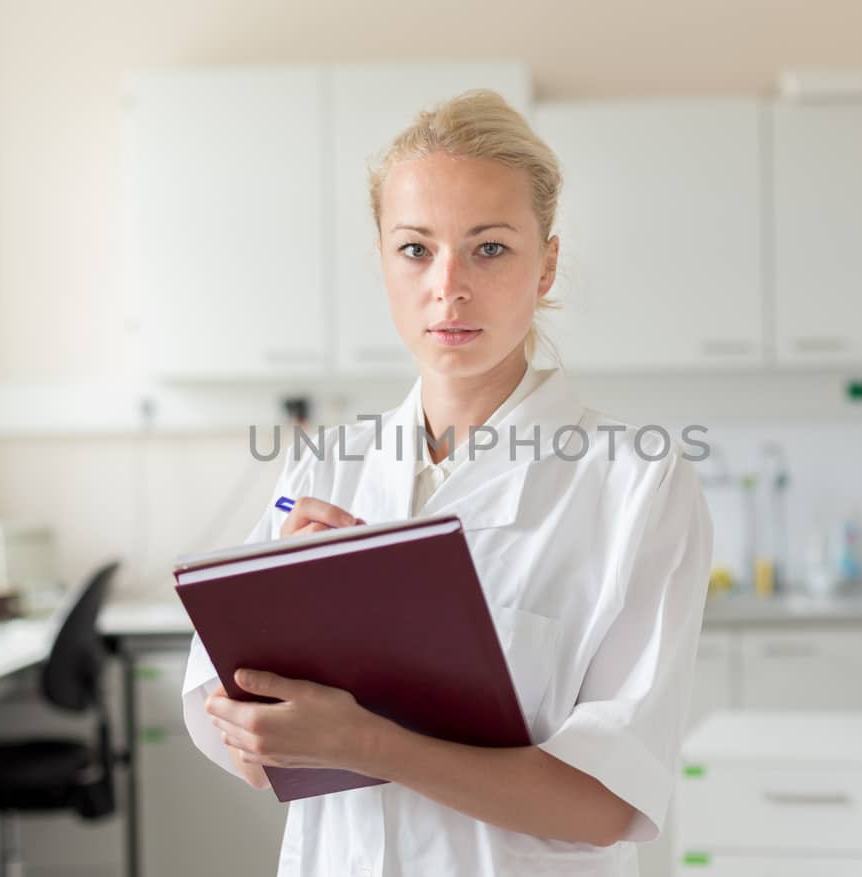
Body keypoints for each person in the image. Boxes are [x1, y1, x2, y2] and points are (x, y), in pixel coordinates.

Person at [181, 89, 713, 875]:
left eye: (490, 247)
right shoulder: (323, 467)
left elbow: (607, 803)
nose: (449, 285)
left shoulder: (637, 483)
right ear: (384, 260)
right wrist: (287, 650)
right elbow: (248, 743)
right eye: (416, 248)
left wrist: (366, 738)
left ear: (548, 264)